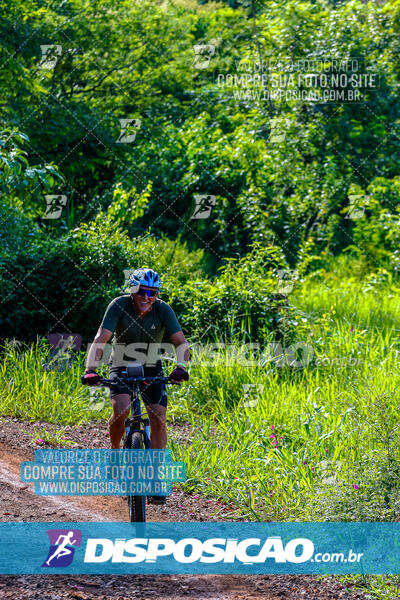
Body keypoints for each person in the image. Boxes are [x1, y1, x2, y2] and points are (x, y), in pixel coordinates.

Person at [82, 268, 189, 503]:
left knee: (159, 417)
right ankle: (114, 453)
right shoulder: (119, 305)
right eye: (141, 291)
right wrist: (91, 370)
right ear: (133, 290)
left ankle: (156, 476)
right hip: (120, 362)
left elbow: (180, 342)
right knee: (121, 410)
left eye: (152, 292)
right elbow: (101, 338)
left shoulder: (163, 309)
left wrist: (181, 367)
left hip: (152, 366)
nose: (146, 297)